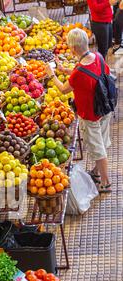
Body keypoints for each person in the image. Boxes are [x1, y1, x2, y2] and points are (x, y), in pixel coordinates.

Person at [46, 28, 112, 193]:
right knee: (102, 141)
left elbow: (63, 89)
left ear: (73, 49)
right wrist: (65, 70)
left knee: (97, 148)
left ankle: (106, 182)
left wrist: (52, 74)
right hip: (105, 108)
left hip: (91, 115)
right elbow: (89, 75)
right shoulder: (98, 57)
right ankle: (97, 173)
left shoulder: (77, 73)